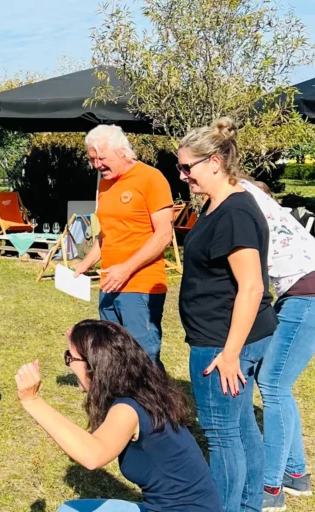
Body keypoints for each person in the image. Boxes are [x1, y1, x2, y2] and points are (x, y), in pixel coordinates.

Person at [177, 117, 278, 512]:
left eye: (188, 167)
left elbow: (252, 286)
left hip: (223, 341)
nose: (183, 175)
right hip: (225, 335)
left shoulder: (234, 211)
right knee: (240, 427)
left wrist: (231, 352)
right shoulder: (217, 204)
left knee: (221, 435)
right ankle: (250, 505)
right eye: (180, 167)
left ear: (215, 162)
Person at [15, 320, 221, 512]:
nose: (68, 365)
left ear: (94, 365)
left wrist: (32, 401)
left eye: (69, 358)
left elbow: (92, 455)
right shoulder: (145, 390)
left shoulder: (128, 409)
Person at [238, 179, 315, 510]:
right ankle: (295, 474)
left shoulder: (244, 198)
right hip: (297, 294)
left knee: (273, 383)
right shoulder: (258, 205)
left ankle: (269, 488)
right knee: (276, 383)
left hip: (306, 295)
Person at [73, 125, 174, 368]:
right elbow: (106, 235)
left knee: (142, 355)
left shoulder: (151, 178)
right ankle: (118, 403)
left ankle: (153, 404)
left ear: (122, 151)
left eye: (102, 158)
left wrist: (126, 269)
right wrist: (84, 265)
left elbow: (164, 235)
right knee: (110, 352)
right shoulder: (105, 184)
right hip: (109, 284)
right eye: (92, 159)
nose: (97, 165)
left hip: (140, 286)